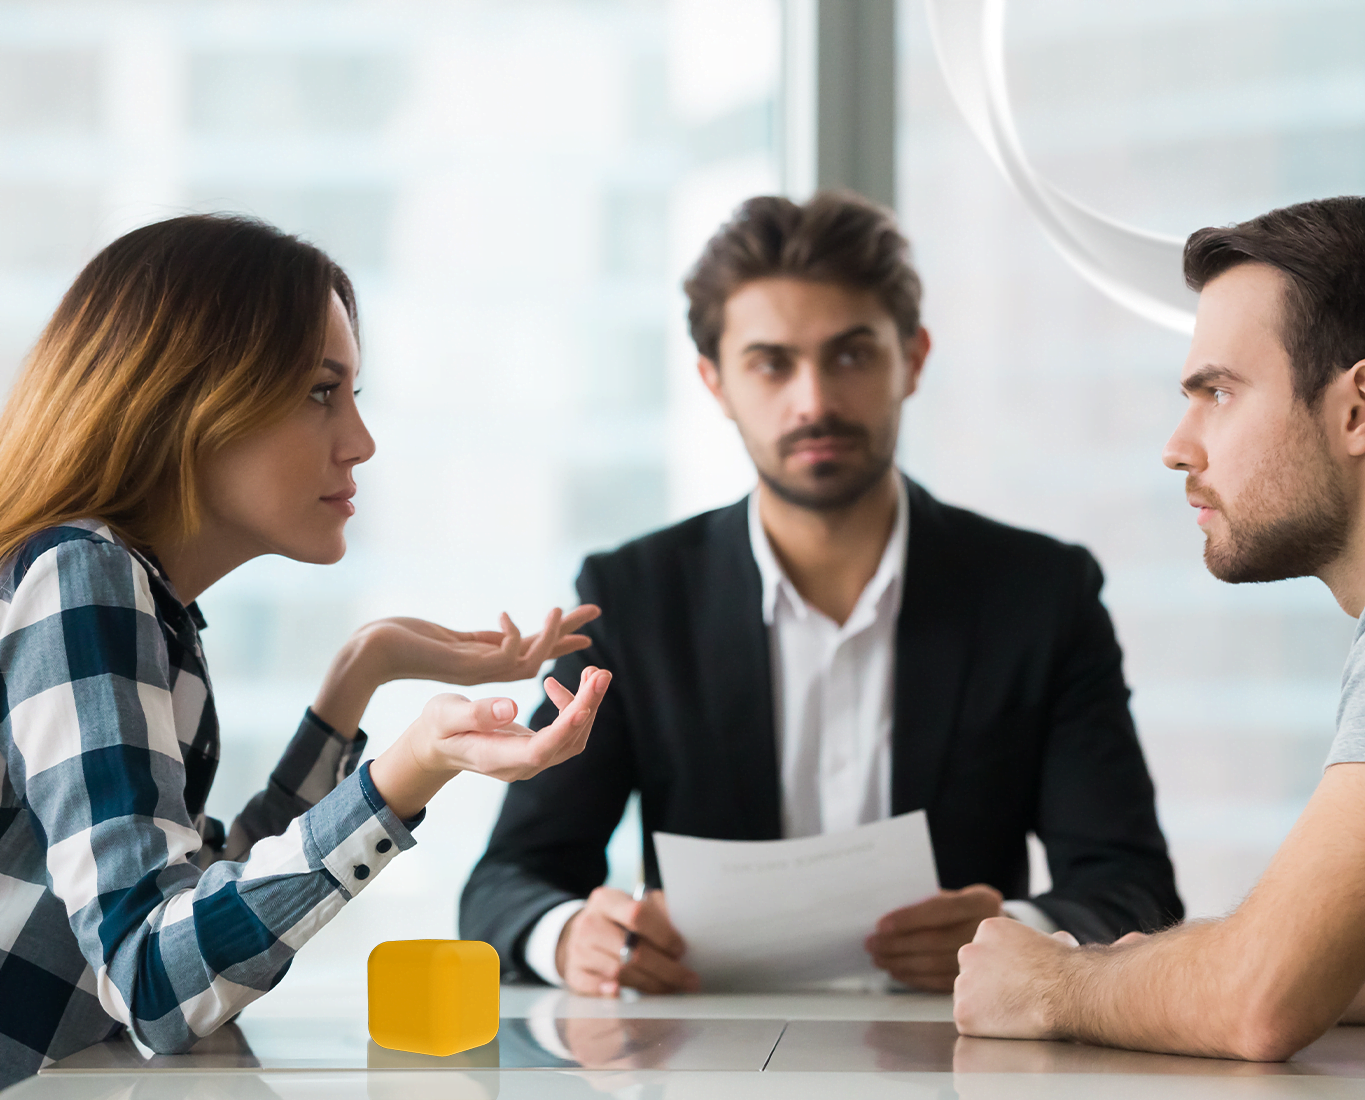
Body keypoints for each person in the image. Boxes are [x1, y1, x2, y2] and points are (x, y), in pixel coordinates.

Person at [951, 195, 1365, 1100]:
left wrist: (1054, 984)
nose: (1179, 448)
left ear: (1361, 406)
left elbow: (1262, 1003)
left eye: (1217, 392)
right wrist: (1183, 967)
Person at [460, 191, 1181, 997]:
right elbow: (507, 883)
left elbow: (1132, 886)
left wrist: (1020, 936)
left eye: (851, 355)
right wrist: (570, 940)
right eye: (772, 363)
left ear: (913, 359)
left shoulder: (1042, 595)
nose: (814, 401)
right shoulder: (633, 598)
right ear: (715, 382)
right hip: (708, 1065)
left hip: (959, 1058)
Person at [0, 214, 611, 1087]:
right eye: (323, 391)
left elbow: (192, 904)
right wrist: (409, 769)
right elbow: (155, 980)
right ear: (189, 397)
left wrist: (360, 678)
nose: (359, 441)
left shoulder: (123, 592)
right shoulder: (81, 578)